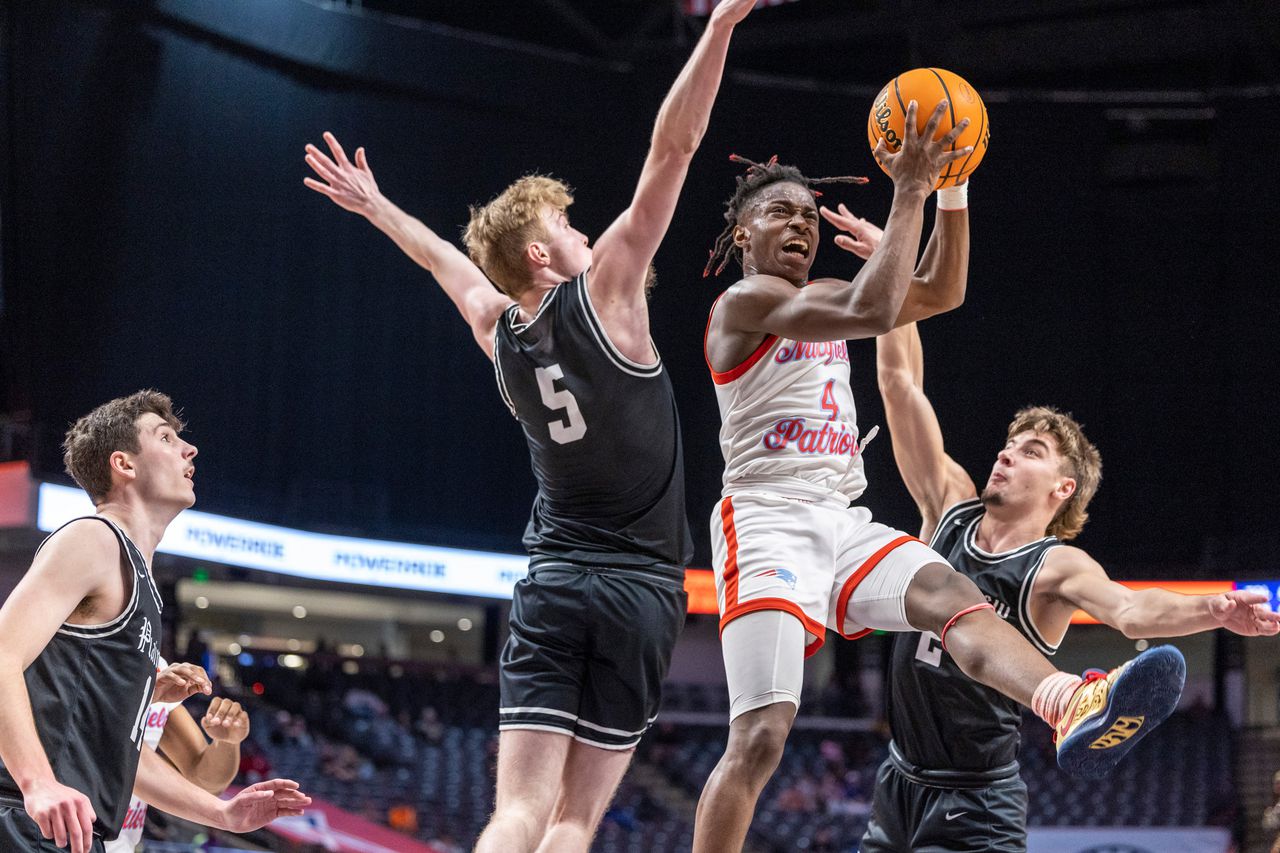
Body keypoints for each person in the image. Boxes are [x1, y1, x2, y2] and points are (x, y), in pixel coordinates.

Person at [303, 2, 758, 849]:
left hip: (553, 584)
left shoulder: (497, 330)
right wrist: (723, 22)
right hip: (640, 591)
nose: (589, 233)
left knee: (517, 811)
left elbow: (443, 257)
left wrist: (377, 207)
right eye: (570, 227)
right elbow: (676, 146)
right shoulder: (612, 293)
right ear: (544, 259)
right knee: (576, 818)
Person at [692, 105, 1187, 852]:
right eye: (778, 213)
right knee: (762, 735)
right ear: (743, 236)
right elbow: (878, 301)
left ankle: (1065, 699)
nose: (800, 224)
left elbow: (940, 291)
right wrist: (909, 192)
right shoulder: (746, 301)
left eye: (807, 214)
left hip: (840, 518)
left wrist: (951, 188)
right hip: (766, 518)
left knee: (954, 595)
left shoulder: (820, 296)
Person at [811, 209, 1280, 850]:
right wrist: (888, 271)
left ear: (1064, 489)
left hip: (976, 795)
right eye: (1009, 444)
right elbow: (899, 384)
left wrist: (1216, 609)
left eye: (1030, 450)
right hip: (898, 780)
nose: (1006, 454)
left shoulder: (1055, 566)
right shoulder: (948, 504)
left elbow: (1132, 610)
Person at [0, 391, 310, 853]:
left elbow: (122, 756)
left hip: (74, 832)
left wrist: (223, 813)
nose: (190, 450)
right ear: (124, 465)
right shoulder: (95, 538)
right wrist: (38, 783)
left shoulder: (141, 584)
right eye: (166, 438)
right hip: (27, 819)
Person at [106, 683, 251, 853]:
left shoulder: (158, 667)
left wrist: (227, 742)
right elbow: (125, 762)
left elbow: (206, 783)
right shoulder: (92, 665)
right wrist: (220, 814)